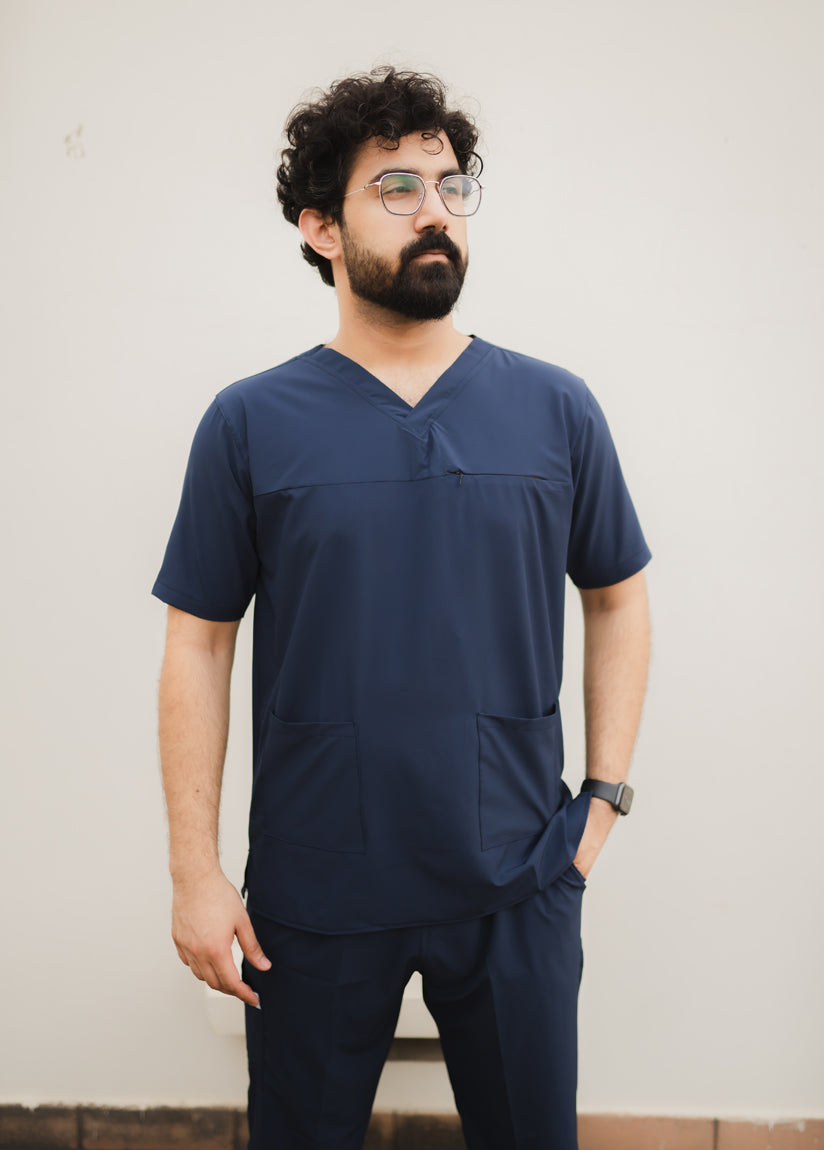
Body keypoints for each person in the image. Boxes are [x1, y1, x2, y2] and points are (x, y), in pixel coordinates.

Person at [153, 66, 651, 1150]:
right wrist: (195, 872)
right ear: (321, 227)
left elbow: (616, 594)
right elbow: (198, 641)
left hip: (516, 876)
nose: (435, 209)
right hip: (317, 889)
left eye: (450, 184)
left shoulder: (555, 409)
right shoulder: (249, 423)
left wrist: (601, 802)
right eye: (396, 187)